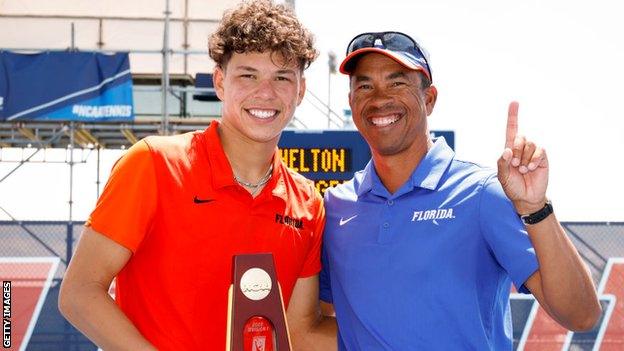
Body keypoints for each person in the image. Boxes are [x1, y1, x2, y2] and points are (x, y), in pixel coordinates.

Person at [58, 1, 335, 349]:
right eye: (248, 75)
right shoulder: (153, 164)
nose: (265, 92)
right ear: (220, 81)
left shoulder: (308, 202)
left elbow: (300, 331)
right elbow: (79, 292)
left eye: (282, 77)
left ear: (300, 91)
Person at [319, 31, 602, 350]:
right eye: (365, 85)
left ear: (429, 99)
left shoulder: (483, 194)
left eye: (397, 82)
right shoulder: (335, 206)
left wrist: (536, 207)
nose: (379, 98)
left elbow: (582, 316)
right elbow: (323, 322)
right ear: (351, 101)